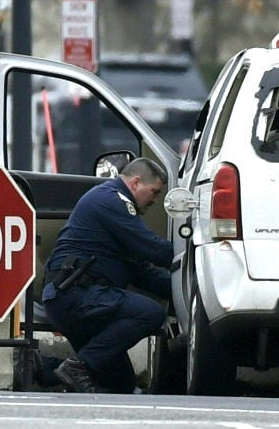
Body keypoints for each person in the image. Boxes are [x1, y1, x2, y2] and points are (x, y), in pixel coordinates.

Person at [42, 157, 173, 394]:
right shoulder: (110, 199)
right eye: (153, 192)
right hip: (75, 297)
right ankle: (77, 366)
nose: (154, 200)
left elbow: (142, 272)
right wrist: (193, 254)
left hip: (84, 299)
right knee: (150, 313)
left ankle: (48, 372)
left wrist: (187, 287)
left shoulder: (113, 204)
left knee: (121, 385)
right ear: (135, 183)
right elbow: (153, 248)